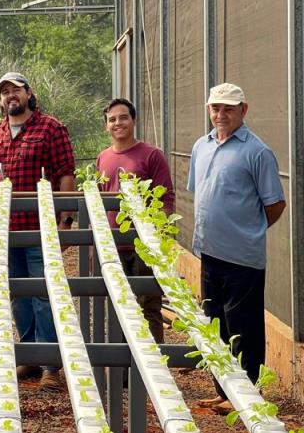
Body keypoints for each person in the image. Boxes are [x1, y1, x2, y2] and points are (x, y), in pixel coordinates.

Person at [0, 72, 75, 392]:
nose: (10, 96)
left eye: (15, 90)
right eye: (4, 92)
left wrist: (64, 222)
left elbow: (65, 176)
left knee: (44, 295)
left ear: (28, 93)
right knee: (17, 296)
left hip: (40, 228)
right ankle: (29, 353)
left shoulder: (51, 128)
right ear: (0, 100)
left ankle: (50, 366)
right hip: (6, 230)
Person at [189, 83, 285, 413]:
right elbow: (200, 194)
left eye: (229, 108)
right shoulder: (201, 147)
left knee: (244, 327)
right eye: (216, 108)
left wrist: (248, 231)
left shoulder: (257, 152)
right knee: (216, 324)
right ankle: (224, 391)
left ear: (244, 110)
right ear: (208, 110)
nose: (221, 114)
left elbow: (275, 204)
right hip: (209, 253)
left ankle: (246, 393)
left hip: (241, 258)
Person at [95, 98, 173, 344]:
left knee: (148, 306)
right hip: (113, 245)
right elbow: (97, 200)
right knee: (119, 307)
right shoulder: (103, 158)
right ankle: (123, 375)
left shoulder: (151, 155)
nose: (118, 123)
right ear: (106, 125)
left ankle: (152, 371)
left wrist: (158, 239)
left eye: (123, 117)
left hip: (143, 246)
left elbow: (166, 198)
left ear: (134, 120)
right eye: (112, 119)